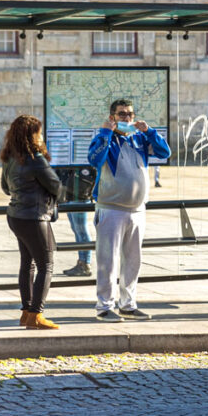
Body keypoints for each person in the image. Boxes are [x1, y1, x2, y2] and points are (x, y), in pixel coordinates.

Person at [88, 98, 171, 322]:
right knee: (108, 261)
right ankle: (105, 306)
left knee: (133, 261)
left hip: (137, 209)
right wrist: (106, 133)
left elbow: (165, 153)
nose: (127, 118)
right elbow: (95, 159)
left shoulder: (140, 139)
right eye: (122, 114)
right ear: (112, 117)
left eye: (130, 114)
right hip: (111, 208)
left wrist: (150, 131)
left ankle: (128, 304)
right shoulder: (105, 138)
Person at [0, 115, 62, 330]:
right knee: (46, 264)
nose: (42, 136)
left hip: (16, 215)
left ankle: (26, 312)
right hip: (35, 217)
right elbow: (56, 186)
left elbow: (5, 188)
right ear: (32, 135)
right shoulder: (36, 160)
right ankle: (36, 315)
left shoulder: (10, 158)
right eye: (39, 132)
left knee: (27, 264)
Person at [62, 210, 92, 277]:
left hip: (78, 200)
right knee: (77, 230)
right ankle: (82, 262)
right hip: (71, 200)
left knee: (81, 230)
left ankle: (85, 264)